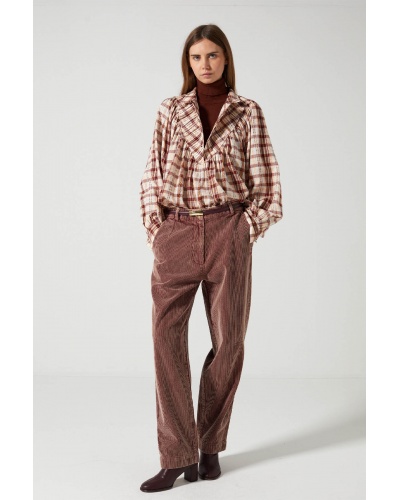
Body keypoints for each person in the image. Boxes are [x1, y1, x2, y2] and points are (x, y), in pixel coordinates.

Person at [139, 24, 283, 493]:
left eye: (213, 55)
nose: (205, 64)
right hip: (177, 231)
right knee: (165, 339)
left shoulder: (247, 112)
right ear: (188, 62)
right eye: (196, 57)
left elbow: (268, 187)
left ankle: (209, 448)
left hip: (228, 231)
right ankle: (175, 456)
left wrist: (244, 229)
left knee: (229, 342)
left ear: (226, 59)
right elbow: (151, 175)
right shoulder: (170, 110)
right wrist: (159, 232)